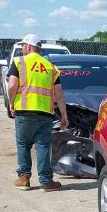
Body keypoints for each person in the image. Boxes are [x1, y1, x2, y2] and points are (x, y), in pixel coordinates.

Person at [6, 34, 68, 191]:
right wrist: (64, 115)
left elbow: (12, 84)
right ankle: (46, 181)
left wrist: (11, 103)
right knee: (43, 146)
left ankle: (24, 179)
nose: (22, 50)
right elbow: (59, 93)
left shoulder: (19, 62)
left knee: (23, 144)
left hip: (24, 111)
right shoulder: (50, 67)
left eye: (22, 47)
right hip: (45, 114)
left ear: (28, 47)